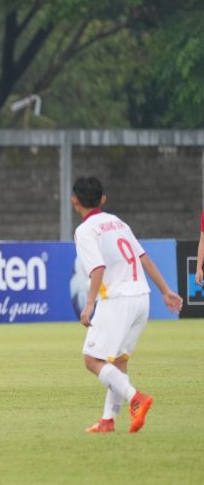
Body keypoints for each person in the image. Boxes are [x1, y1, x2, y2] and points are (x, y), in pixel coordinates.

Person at [71, 176, 182, 434]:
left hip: (117, 299)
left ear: (74, 200)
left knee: (92, 359)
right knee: (119, 361)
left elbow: (97, 268)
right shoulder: (118, 222)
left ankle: (136, 398)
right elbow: (145, 259)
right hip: (142, 298)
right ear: (103, 199)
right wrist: (165, 291)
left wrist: (88, 305)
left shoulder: (85, 231)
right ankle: (108, 420)